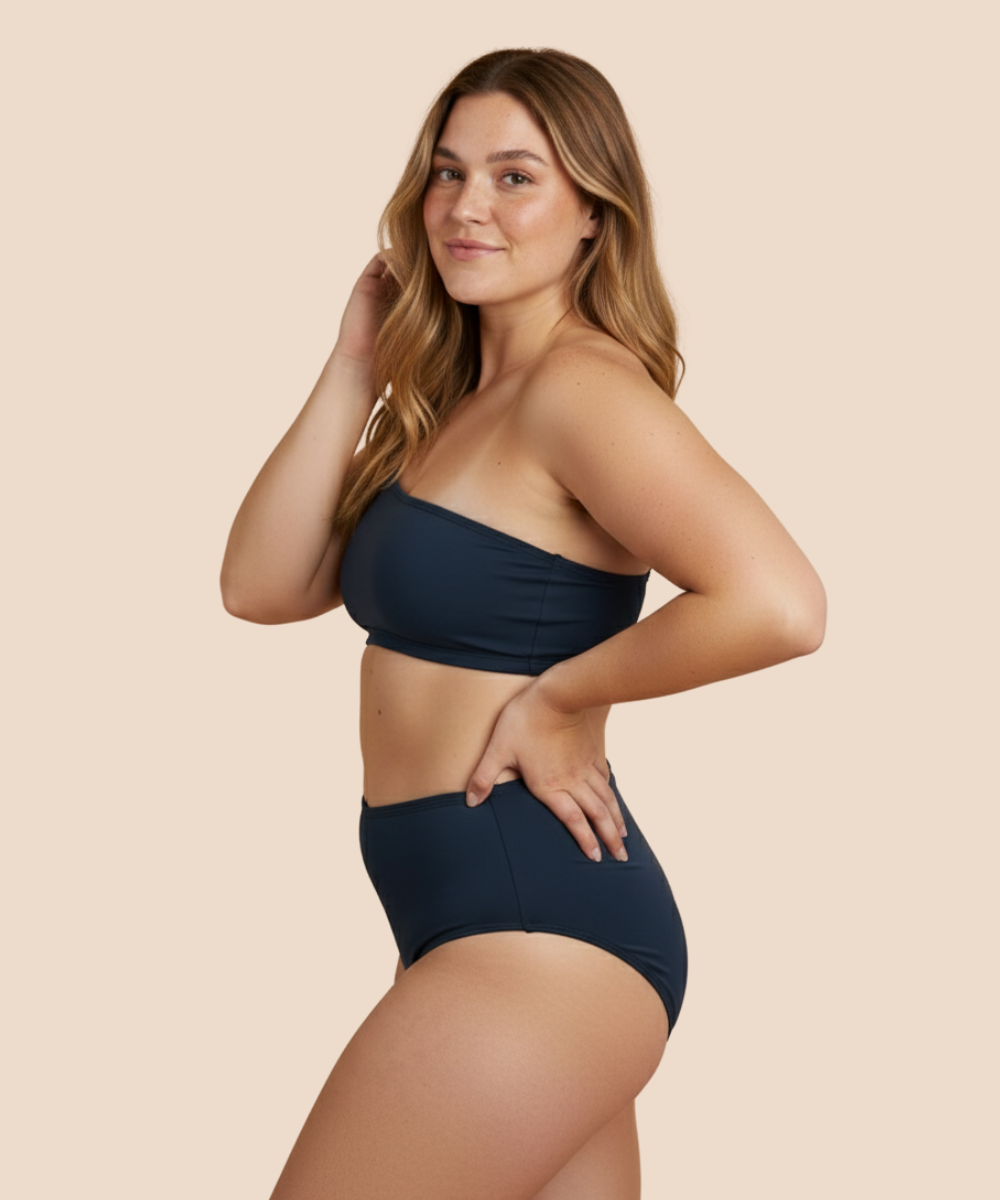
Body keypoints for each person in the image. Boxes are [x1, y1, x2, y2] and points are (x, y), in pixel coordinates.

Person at [221, 46, 825, 1200]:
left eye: (513, 177)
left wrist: (566, 696)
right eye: (447, 173)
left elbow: (780, 603)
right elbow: (262, 585)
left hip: (535, 930)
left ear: (594, 210)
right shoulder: (461, 406)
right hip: (480, 924)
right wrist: (354, 365)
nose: (465, 207)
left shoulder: (577, 388)